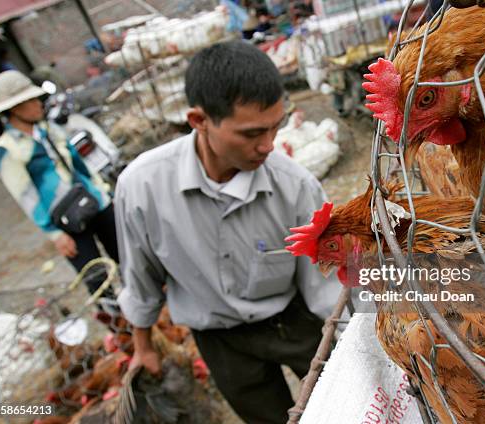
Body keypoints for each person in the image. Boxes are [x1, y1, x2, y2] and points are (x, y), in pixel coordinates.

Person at [115, 40, 340, 423]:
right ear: (199, 121)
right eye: (251, 133)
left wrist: (357, 341)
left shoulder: (296, 187)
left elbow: (326, 287)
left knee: (336, 404)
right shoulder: (142, 187)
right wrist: (144, 346)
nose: (268, 145)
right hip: (220, 338)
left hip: (292, 317)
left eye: (275, 127)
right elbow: (141, 277)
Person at [0, 70, 118, 295]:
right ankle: (121, 325)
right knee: (97, 281)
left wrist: (102, 192)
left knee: (127, 256)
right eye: (31, 100)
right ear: (15, 108)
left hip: (93, 200)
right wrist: (54, 234)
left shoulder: (49, 129)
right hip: (67, 221)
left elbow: (79, 164)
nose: (38, 103)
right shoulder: (7, 150)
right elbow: (26, 197)